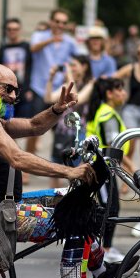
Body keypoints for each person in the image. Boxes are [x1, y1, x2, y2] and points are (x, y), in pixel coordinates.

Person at [0, 64, 130, 278]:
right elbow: (18, 158)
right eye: (8, 89)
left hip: (7, 207)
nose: (14, 96)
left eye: (16, 90)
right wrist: (70, 171)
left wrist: (57, 109)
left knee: (74, 200)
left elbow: (35, 126)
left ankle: (100, 273)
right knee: (75, 223)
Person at [26, 8, 78, 184]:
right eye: (58, 21)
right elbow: (33, 48)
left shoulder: (69, 42)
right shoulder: (41, 36)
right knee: (34, 128)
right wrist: (51, 39)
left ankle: (57, 167)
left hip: (58, 91)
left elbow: (79, 58)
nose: (60, 25)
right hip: (40, 87)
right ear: (51, 22)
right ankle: (26, 167)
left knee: (61, 131)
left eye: (64, 22)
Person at [86, 78, 132, 263]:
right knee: (108, 208)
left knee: (110, 207)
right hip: (103, 167)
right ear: (109, 94)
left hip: (105, 167)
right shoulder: (107, 115)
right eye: (119, 89)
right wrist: (133, 169)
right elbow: (113, 146)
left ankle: (103, 247)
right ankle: (101, 249)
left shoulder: (106, 112)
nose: (123, 93)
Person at [44, 55, 95, 188]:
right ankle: (54, 203)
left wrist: (69, 77)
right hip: (61, 131)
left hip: (78, 133)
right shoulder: (67, 84)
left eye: (74, 65)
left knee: (76, 171)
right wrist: (51, 78)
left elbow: (78, 99)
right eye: (70, 66)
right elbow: (48, 98)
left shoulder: (91, 84)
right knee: (54, 169)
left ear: (84, 67)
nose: (71, 68)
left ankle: (74, 203)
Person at [113, 42, 140, 173]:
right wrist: (120, 93)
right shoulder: (131, 68)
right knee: (129, 150)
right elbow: (113, 79)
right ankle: (128, 182)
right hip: (131, 110)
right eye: (139, 53)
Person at [0, 18, 33, 118]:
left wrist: (30, 89)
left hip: (24, 92)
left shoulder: (27, 47)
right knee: (6, 123)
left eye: (15, 29)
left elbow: (31, 69)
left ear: (20, 30)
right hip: (5, 94)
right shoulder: (2, 49)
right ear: (6, 31)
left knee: (23, 126)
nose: (12, 32)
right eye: (9, 29)